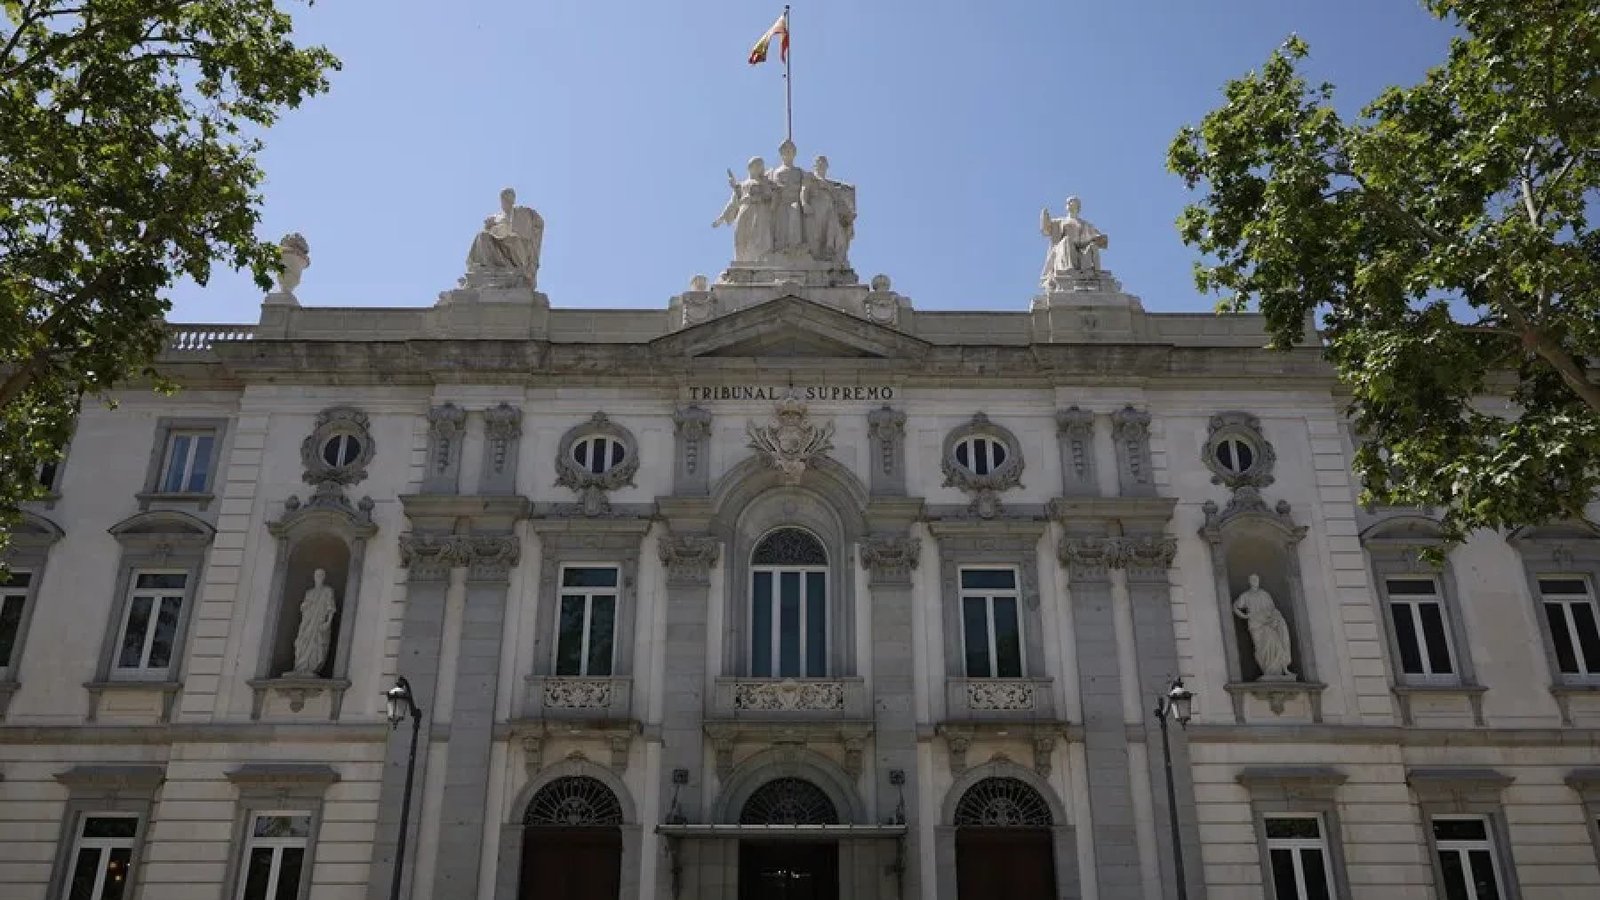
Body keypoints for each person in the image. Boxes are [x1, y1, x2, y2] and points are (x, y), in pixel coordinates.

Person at [1232, 574, 1294, 679]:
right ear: (1249, 581)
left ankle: (1277, 670)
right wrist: (1245, 616)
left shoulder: (1265, 594)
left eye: (1256, 579)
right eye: (1252, 579)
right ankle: (1266, 669)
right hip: (1255, 625)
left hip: (1267, 623)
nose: (1255, 580)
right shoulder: (1246, 595)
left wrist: (1275, 618)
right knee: (1260, 648)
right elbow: (1235, 607)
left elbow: (1272, 609)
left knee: (1274, 642)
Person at [714, 158, 775, 262]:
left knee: (757, 235)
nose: (759, 168)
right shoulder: (742, 185)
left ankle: (758, 260)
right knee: (740, 234)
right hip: (744, 209)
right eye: (756, 165)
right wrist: (722, 217)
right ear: (749, 168)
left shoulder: (764, 183)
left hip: (759, 210)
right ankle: (740, 259)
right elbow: (733, 202)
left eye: (760, 165)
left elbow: (770, 196)